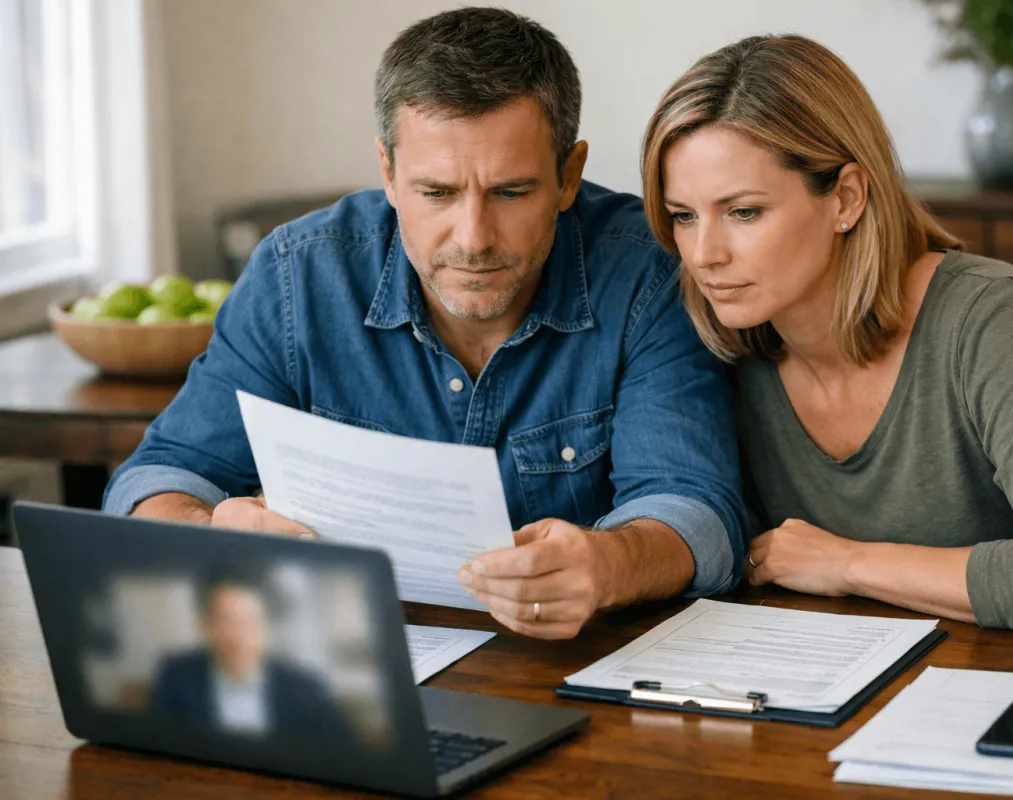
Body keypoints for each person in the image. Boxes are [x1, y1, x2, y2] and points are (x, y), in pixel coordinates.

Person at [103, 7, 746, 640]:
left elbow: (699, 512)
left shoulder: (648, 272)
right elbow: (156, 479)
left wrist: (612, 563)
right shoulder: (297, 276)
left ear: (568, 176)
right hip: (350, 668)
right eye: (436, 193)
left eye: (511, 192)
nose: (473, 239)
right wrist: (212, 531)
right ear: (388, 173)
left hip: (568, 677)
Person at [639, 34, 1013, 639]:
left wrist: (845, 563)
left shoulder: (991, 317)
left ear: (845, 197)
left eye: (744, 212)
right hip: (870, 689)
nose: (704, 255)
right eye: (683, 215)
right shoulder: (719, 346)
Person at [150, 568, 352, 739]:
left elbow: (341, 753)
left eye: (249, 622)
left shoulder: (306, 689)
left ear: (267, 627)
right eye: (225, 621)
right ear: (206, 625)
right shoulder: (177, 677)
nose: (238, 636)